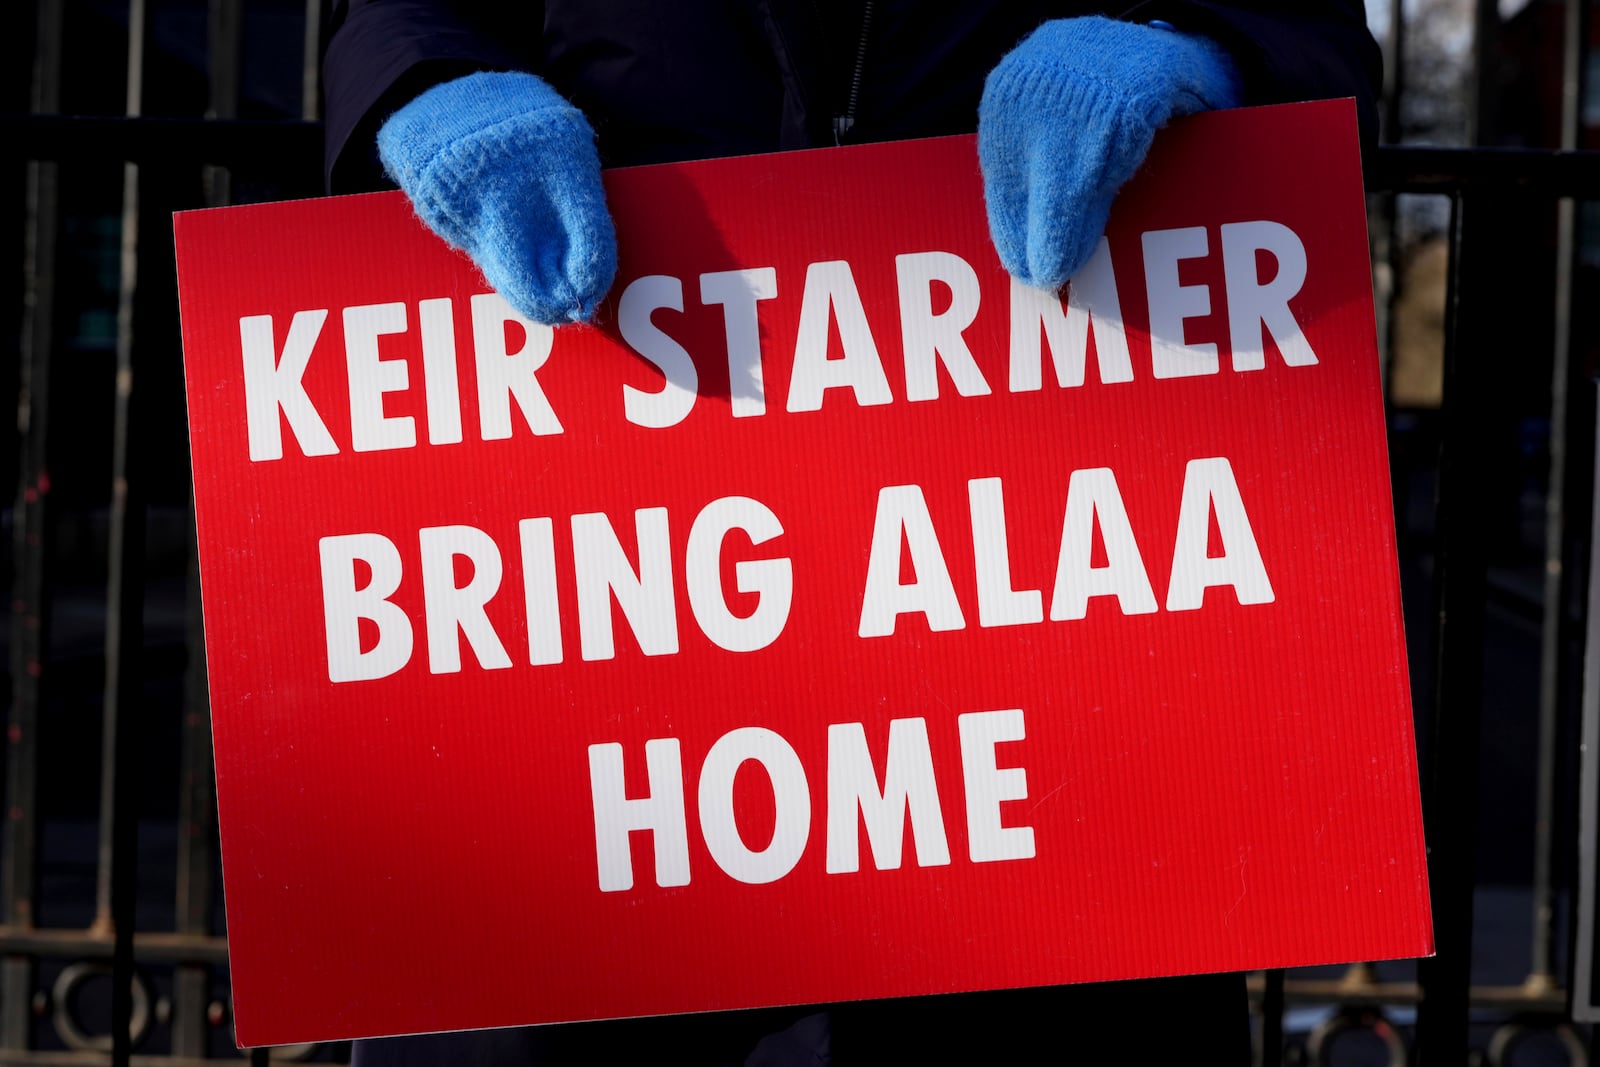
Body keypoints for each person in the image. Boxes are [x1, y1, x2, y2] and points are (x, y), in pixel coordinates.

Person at [323, 3, 1381, 1062]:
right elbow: (393, 14)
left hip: (1052, 511)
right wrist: (432, 84)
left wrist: (1197, 47)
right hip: (618, 509)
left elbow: (1306, 31)